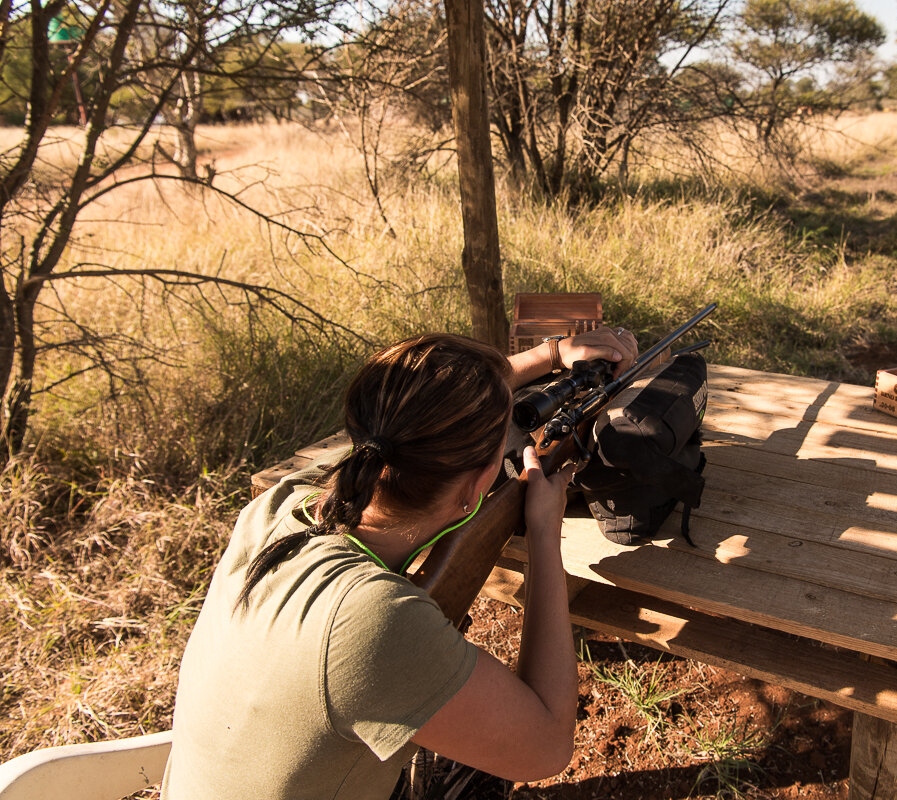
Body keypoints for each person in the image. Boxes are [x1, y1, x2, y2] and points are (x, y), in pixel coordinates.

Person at [162, 327, 639, 799]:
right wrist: (543, 534)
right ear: (476, 489)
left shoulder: (280, 507)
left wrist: (550, 355)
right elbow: (548, 747)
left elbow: (411, 426)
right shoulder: (374, 622)